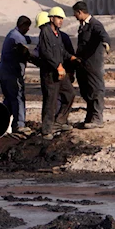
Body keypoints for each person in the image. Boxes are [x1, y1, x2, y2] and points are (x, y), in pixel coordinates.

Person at [38, 7, 78, 140]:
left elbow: (61, 51)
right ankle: (47, 130)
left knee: (70, 94)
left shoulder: (58, 34)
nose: (61, 21)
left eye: (62, 19)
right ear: (51, 18)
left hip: (61, 72)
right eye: (58, 18)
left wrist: (70, 57)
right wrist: (57, 66)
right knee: (51, 101)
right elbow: (45, 53)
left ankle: (60, 122)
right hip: (50, 74)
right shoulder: (45, 32)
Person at [72, 1, 111, 129]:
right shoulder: (83, 26)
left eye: (75, 14)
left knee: (96, 89)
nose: (75, 17)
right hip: (83, 65)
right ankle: (89, 117)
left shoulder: (95, 24)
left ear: (80, 12)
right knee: (86, 91)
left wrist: (106, 43)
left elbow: (103, 35)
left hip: (93, 65)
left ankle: (97, 118)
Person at [0, 16, 33, 136]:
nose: (28, 29)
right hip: (12, 73)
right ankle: (19, 124)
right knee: (18, 97)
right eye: (27, 27)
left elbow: (28, 39)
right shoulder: (17, 38)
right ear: (22, 25)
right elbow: (27, 53)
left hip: (4, 71)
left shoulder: (12, 34)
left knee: (9, 100)